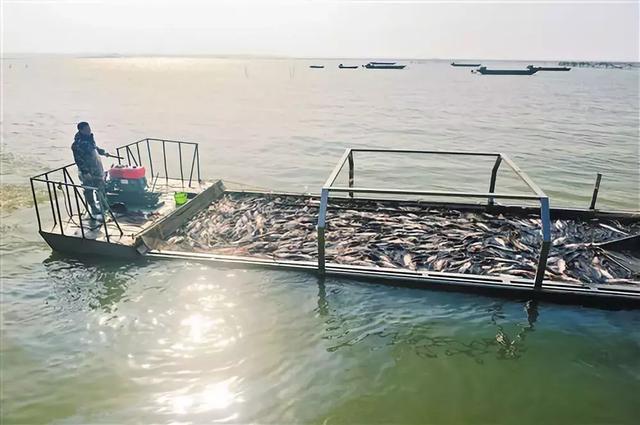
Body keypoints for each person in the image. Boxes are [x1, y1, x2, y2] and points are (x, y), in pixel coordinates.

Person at [71, 122, 109, 218]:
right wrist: (85, 171)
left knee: (101, 186)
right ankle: (93, 207)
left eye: (89, 128)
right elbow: (78, 159)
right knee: (88, 189)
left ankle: (103, 205)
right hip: (87, 171)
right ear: (81, 130)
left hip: (96, 168)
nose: (89, 131)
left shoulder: (89, 139)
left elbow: (94, 148)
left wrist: (102, 152)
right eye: (87, 129)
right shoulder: (77, 144)